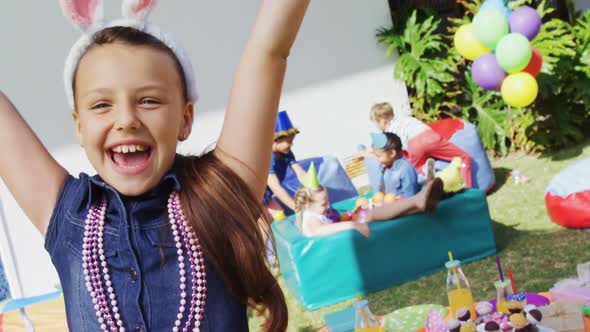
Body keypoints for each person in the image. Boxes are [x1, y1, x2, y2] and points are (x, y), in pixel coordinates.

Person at [0, 0, 311, 330]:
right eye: (102, 104)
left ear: (185, 118)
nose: (126, 120)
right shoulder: (68, 213)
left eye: (149, 100)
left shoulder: (219, 195)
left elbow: (268, 51)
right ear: (79, 126)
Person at [370, 102, 473, 188]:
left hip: (413, 145)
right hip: (429, 137)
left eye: (375, 124)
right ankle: (468, 189)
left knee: (415, 173)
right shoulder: (404, 118)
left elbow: (395, 152)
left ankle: (425, 174)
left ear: (382, 121)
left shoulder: (388, 133)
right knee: (464, 157)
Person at [294, 163, 370, 237]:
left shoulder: (316, 211)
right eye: (323, 204)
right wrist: (352, 225)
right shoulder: (312, 219)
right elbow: (319, 230)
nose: (328, 206)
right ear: (307, 205)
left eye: (328, 201)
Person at [263, 110, 306, 219]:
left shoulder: (286, 154)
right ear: (274, 140)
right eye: (288, 141)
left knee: (280, 216)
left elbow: (300, 173)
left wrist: (317, 191)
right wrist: (297, 208)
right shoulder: (267, 158)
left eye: (292, 140)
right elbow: (276, 188)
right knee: (267, 224)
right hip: (250, 200)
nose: (292, 144)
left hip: (265, 197)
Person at [371, 132, 419, 198]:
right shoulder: (384, 167)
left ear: (392, 153)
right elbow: (380, 190)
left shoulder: (405, 169)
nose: (376, 159)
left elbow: (411, 196)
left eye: (378, 156)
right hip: (389, 203)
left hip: (403, 204)